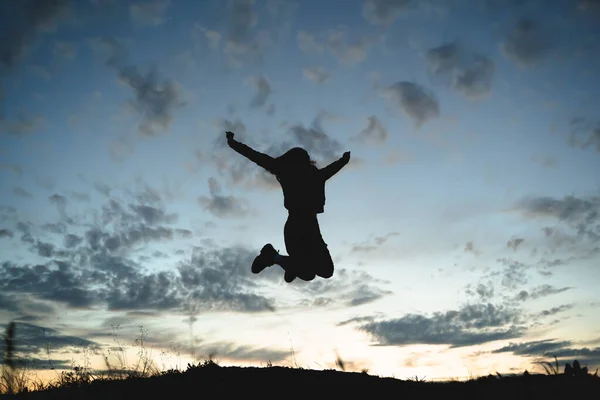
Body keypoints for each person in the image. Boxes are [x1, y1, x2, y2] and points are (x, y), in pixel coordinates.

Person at [225, 131, 350, 283]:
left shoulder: (309, 175)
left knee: (322, 271)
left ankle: (286, 263)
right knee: (311, 273)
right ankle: (275, 258)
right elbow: (255, 156)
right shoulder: (300, 173)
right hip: (298, 227)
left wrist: (343, 160)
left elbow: (256, 156)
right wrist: (233, 143)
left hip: (307, 226)